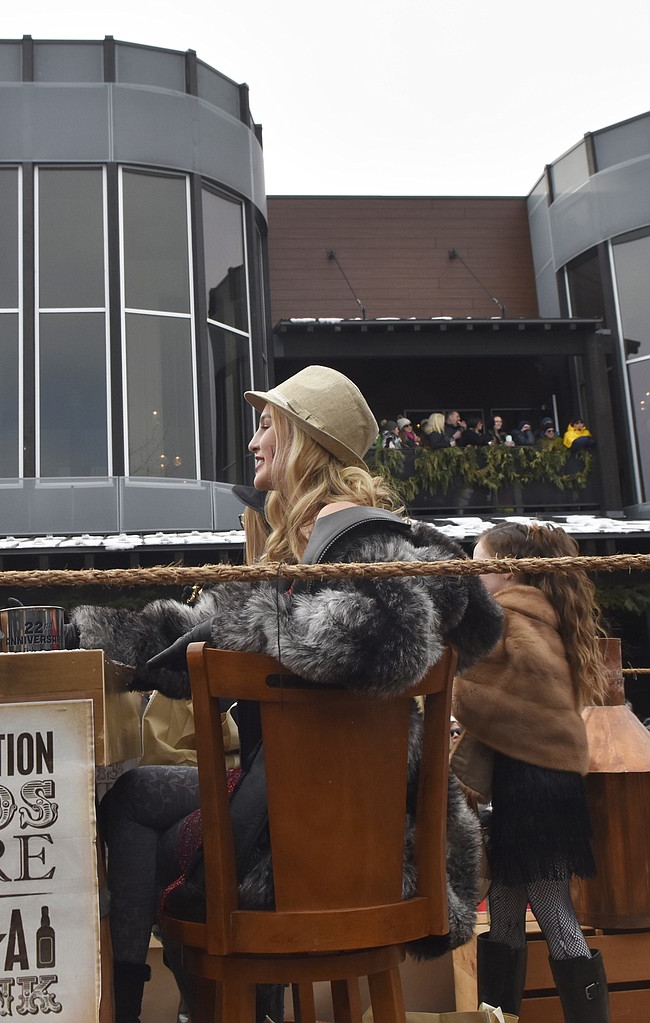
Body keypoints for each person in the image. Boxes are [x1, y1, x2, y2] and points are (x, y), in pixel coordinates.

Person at [69, 365, 504, 1023]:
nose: (253, 442)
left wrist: (254, 618)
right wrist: (107, 635)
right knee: (133, 796)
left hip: (339, 842)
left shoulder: (356, 533)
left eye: (267, 422)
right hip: (328, 816)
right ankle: (202, 1007)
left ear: (306, 436)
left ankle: (217, 1006)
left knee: (157, 839)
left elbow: (413, 618)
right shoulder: (315, 548)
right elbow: (231, 630)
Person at [452, 522, 611, 1021]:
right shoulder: (537, 615)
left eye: (479, 564)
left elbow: (478, 695)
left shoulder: (512, 616)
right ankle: (497, 1014)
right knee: (504, 905)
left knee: (551, 906)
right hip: (539, 781)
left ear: (508, 571)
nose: (473, 574)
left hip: (534, 785)